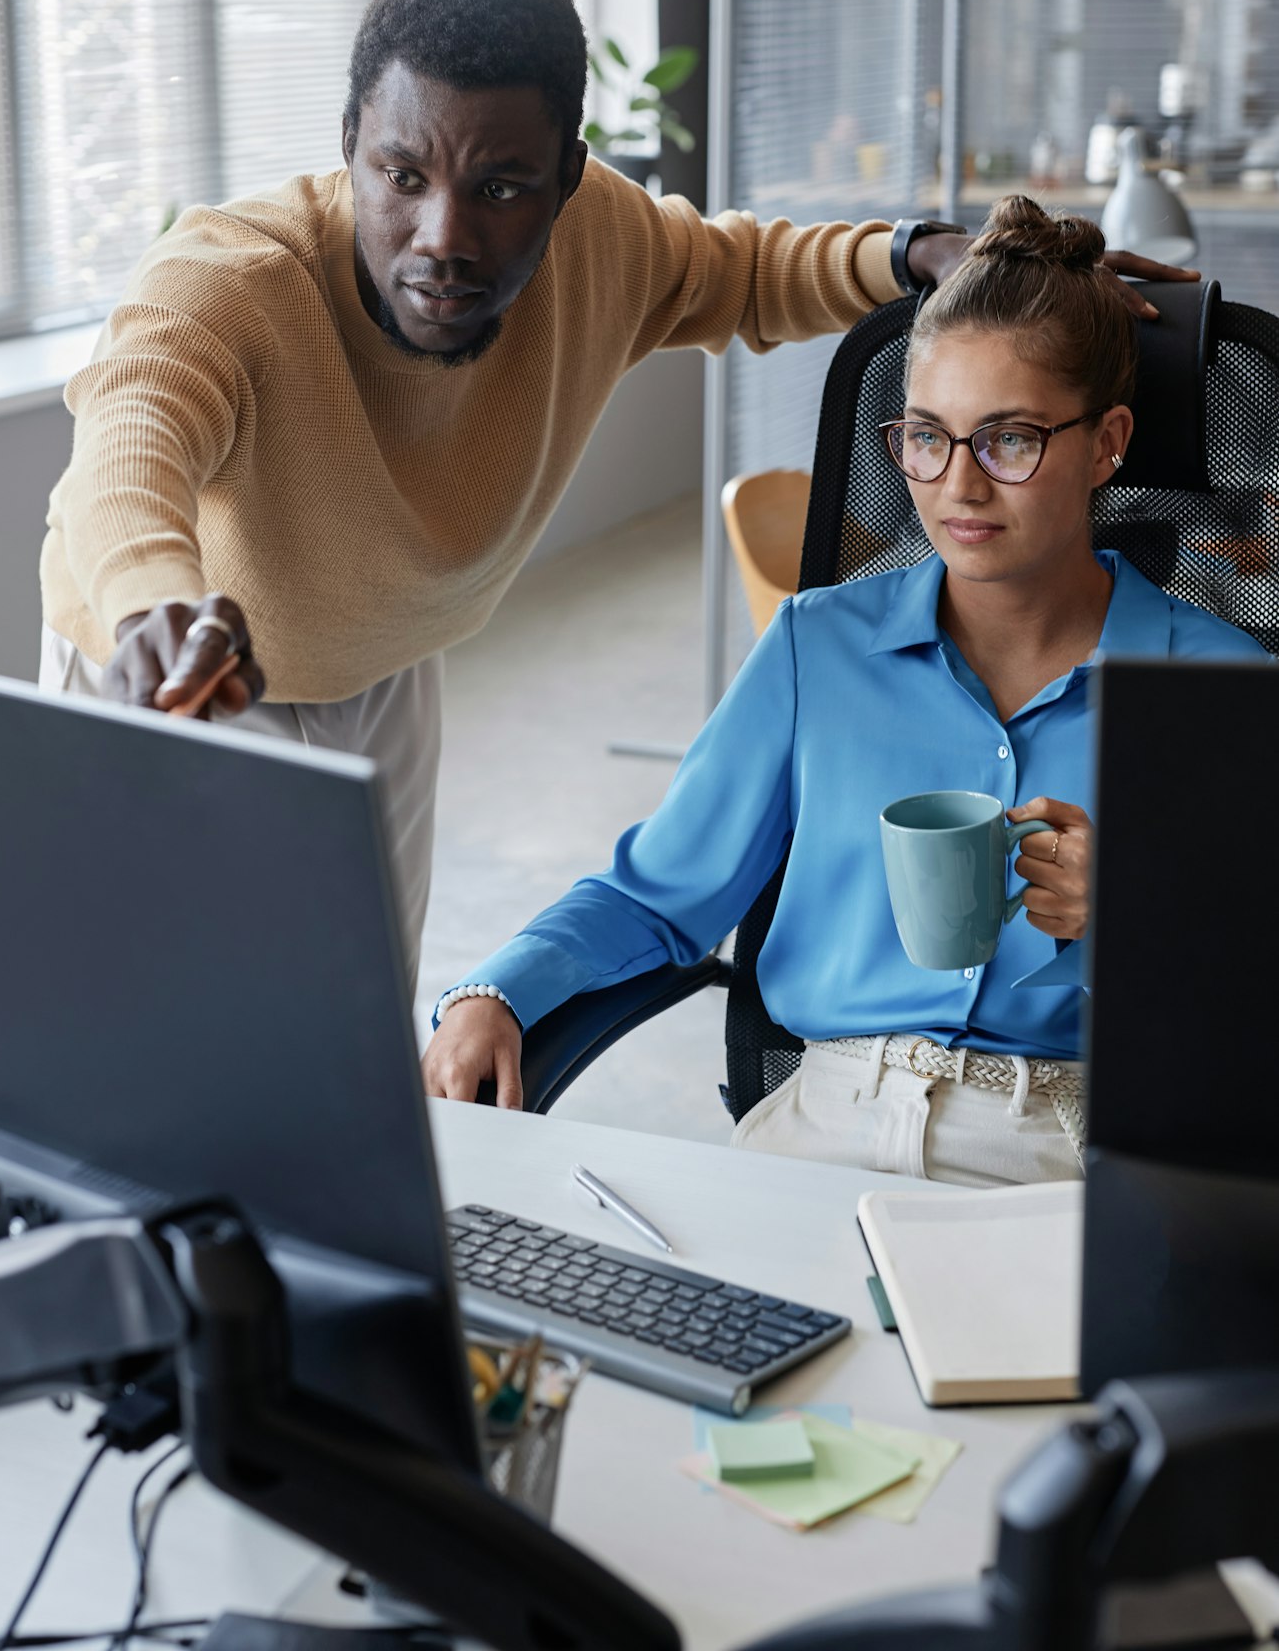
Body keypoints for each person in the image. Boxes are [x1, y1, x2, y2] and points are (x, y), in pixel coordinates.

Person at [39, 0, 1188, 984]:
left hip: (378, 666)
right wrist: (154, 602)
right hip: (182, 671)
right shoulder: (230, 281)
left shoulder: (602, 242)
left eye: (499, 187)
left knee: (342, 1021)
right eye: (400, 175)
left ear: (566, 176)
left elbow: (743, 268)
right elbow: (127, 447)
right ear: (349, 146)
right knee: (151, 1027)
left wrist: (913, 252)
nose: (443, 234)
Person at [421, 195, 1269, 1185]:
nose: (958, 485)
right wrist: (494, 991)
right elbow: (654, 896)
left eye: (1010, 440)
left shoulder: (1222, 689)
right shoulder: (811, 651)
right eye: (926, 436)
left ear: (1107, 442)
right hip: (820, 1129)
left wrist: (1147, 905)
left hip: (1066, 1155)